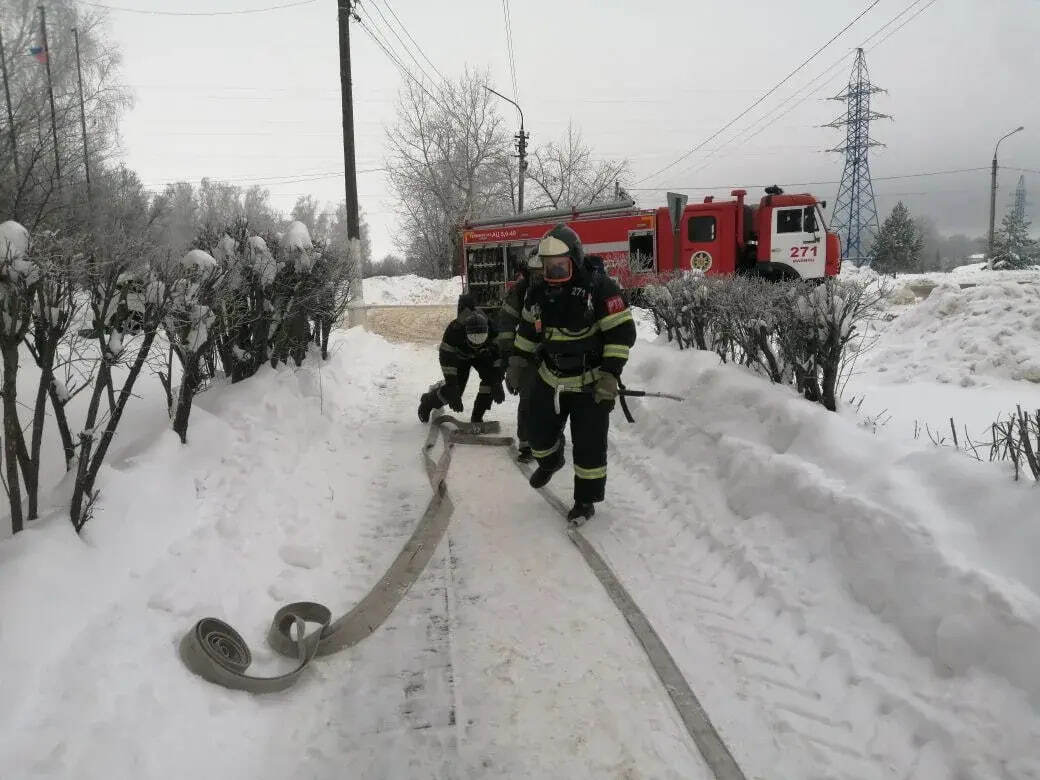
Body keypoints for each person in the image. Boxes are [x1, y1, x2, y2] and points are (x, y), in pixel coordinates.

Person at [508, 224, 636, 524]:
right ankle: (551, 460)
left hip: (589, 382)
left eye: (560, 266)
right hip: (549, 377)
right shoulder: (537, 292)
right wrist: (517, 361)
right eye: (548, 266)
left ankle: (585, 502)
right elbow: (527, 329)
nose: (552, 272)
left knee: (590, 446)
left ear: (575, 259)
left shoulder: (600, 288)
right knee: (536, 433)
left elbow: (621, 333)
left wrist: (609, 375)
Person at [417, 297, 505, 424]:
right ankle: (428, 402)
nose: (476, 345)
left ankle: (477, 417)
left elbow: (499, 357)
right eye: (473, 342)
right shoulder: (454, 331)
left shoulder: (493, 329)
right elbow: (446, 359)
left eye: (480, 341)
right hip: (460, 357)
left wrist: (497, 380)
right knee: (454, 392)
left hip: (483, 356)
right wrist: (452, 385)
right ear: (465, 333)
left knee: (491, 382)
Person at [497, 251, 544, 462]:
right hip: (527, 352)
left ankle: (550, 439)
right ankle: (526, 445)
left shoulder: (567, 286)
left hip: (558, 352)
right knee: (528, 396)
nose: (541, 276)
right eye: (537, 272)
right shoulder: (522, 289)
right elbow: (506, 321)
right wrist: (510, 358)